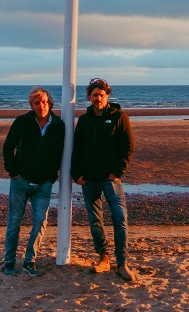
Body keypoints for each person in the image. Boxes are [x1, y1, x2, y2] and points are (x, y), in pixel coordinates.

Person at [71, 77, 136, 282]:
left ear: (107, 96)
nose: (98, 98)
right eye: (94, 95)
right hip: (89, 180)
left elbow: (128, 146)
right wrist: (77, 174)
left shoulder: (119, 117)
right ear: (89, 97)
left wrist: (117, 172)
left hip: (110, 179)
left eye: (101, 95)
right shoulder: (84, 120)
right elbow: (77, 149)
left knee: (120, 218)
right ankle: (103, 258)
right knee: (95, 221)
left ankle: (122, 263)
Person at [2, 87, 65, 277]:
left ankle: (30, 261)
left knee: (40, 221)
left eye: (44, 102)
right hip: (20, 182)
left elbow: (59, 153)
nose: (41, 105)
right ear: (32, 105)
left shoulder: (58, 125)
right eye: (37, 102)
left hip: (43, 184)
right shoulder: (22, 122)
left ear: (50, 103)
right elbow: (8, 147)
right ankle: (10, 261)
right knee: (14, 222)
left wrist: (51, 176)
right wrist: (13, 172)